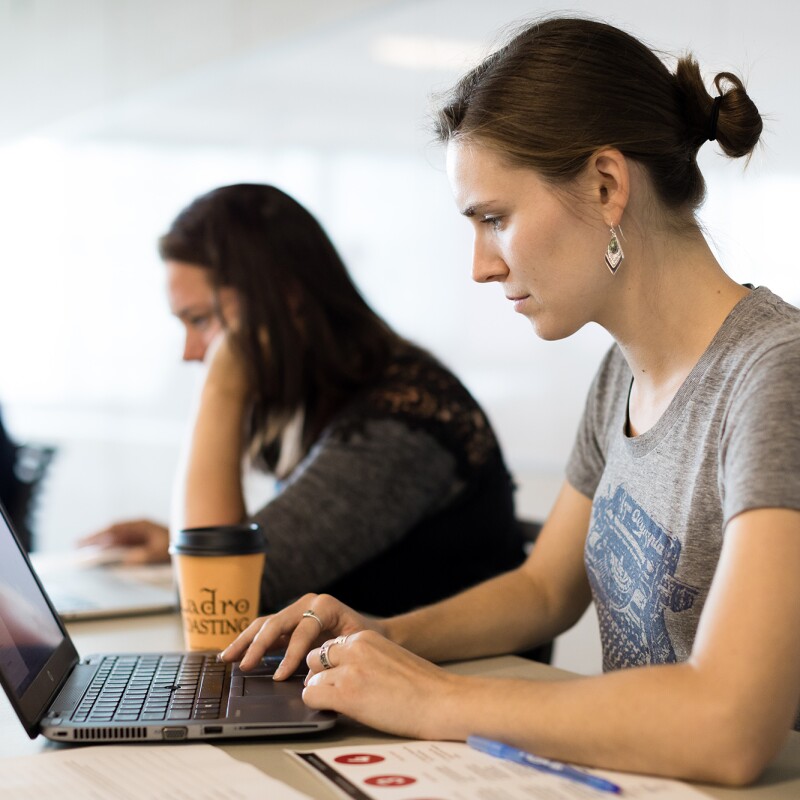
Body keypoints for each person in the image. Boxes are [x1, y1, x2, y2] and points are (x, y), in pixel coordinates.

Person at [219, 17, 800, 787]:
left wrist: (437, 700)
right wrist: (384, 636)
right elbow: (545, 589)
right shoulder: (621, 376)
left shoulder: (775, 376)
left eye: (495, 219)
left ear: (605, 185)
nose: (480, 266)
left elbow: (727, 726)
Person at [81, 183, 530, 620]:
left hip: (450, 685)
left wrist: (221, 386)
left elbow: (220, 598)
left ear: (286, 300)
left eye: (200, 320)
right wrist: (176, 541)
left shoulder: (401, 422)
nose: (190, 351)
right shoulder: (336, 394)